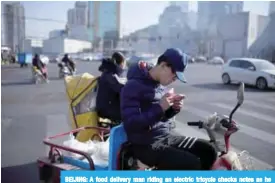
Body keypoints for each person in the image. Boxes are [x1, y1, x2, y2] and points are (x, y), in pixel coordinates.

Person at [120, 48, 217, 170]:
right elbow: (131, 124)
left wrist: (173, 109)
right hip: (146, 145)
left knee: (209, 151)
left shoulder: (159, 85)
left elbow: (160, 118)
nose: (174, 80)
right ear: (163, 65)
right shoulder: (132, 86)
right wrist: (160, 107)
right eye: (174, 75)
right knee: (192, 164)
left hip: (165, 137)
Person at [96, 52, 127, 124]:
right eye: (124, 63)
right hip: (106, 108)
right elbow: (120, 87)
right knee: (129, 114)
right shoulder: (110, 74)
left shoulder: (111, 71)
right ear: (122, 63)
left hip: (109, 105)